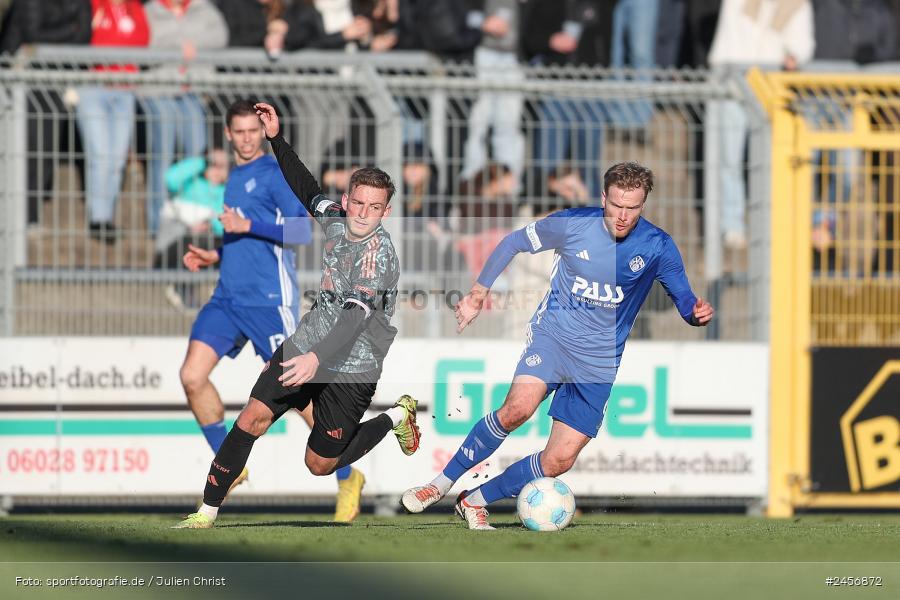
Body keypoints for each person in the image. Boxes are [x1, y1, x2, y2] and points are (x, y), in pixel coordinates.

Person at [401, 162, 714, 529]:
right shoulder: (572, 224)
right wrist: (477, 293)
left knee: (558, 461)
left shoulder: (658, 246)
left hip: (598, 362)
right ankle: (439, 484)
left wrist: (696, 314)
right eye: (616, 205)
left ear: (643, 204)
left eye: (632, 208)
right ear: (603, 197)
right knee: (517, 409)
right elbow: (513, 242)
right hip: (554, 338)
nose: (622, 216)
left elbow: (685, 301)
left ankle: (474, 500)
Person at [173, 102, 419, 529]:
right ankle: (206, 513)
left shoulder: (379, 256)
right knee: (252, 417)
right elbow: (306, 187)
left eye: (374, 207)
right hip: (307, 342)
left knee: (319, 463)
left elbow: (353, 319)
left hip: (353, 365)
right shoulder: (337, 219)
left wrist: (315, 360)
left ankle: (396, 416)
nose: (363, 213)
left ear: (386, 212)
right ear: (346, 200)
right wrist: (276, 139)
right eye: (358, 203)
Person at [75, 0, 150, 244]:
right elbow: (88, 41)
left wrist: (113, 44)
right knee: (101, 154)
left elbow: (142, 40)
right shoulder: (92, 6)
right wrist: (116, 44)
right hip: (94, 89)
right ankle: (98, 218)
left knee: (117, 158)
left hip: (125, 91)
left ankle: (106, 216)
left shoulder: (135, 8)